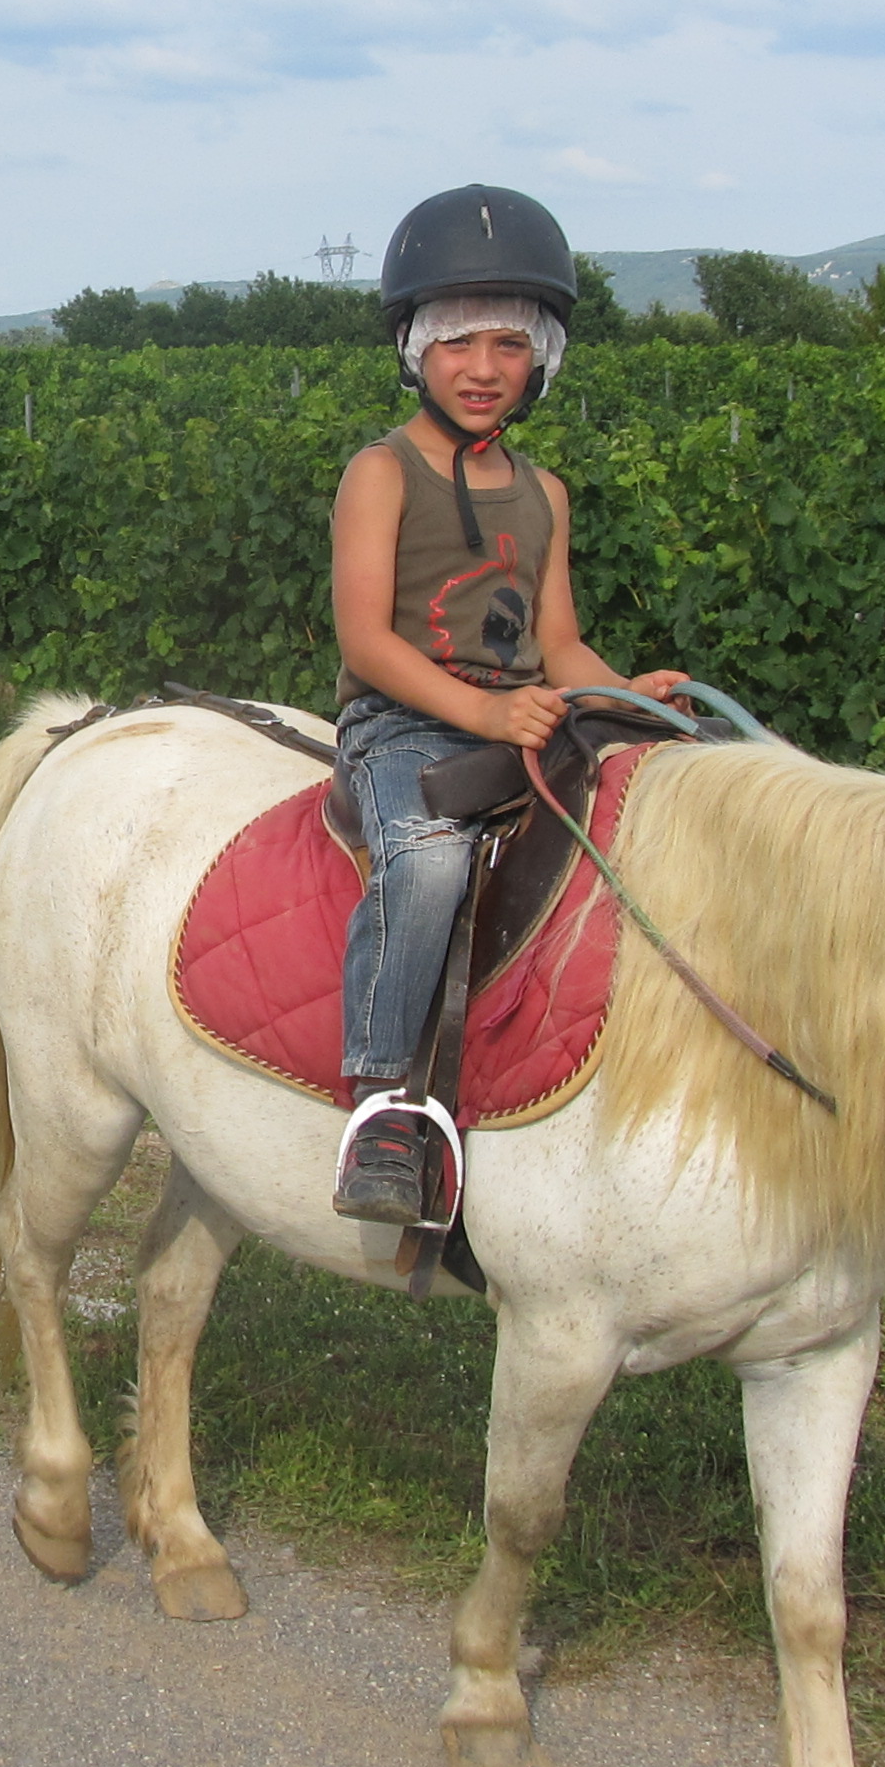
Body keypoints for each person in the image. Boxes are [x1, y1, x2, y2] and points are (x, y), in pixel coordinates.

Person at [326, 188, 684, 1227]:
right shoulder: (380, 473)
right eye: (456, 344)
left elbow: (558, 643)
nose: (483, 368)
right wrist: (482, 717)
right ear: (412, 351)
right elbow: (367, 643)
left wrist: (625, 696)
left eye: (508, 345)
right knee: (428, 856)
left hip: (525, 712)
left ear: (543, 360)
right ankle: (383, 1101)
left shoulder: (545, 490)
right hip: (402, 722)